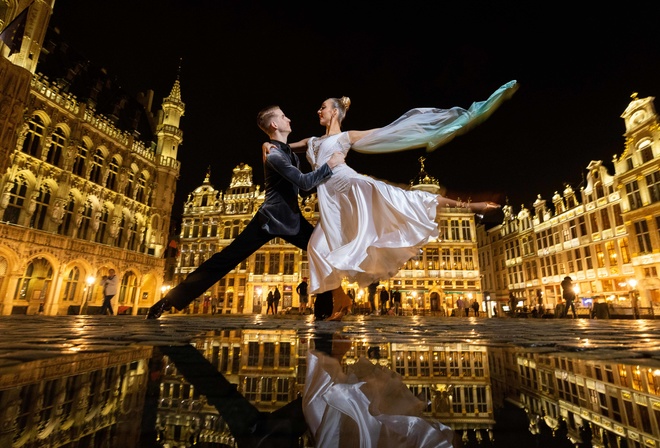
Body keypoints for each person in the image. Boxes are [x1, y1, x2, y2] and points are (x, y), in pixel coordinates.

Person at [263, 81, 516, 318]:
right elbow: (281, 146)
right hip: (330, 200)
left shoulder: (347, 137)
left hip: (352, 187)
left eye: (323, 107)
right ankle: (341, 298)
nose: (318, 110)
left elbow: (391, 131)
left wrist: (436, 127)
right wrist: (267, 144)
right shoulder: (312, 141)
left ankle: (473, 205)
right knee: (315, 248)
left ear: (336, 113)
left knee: (408, 200)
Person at [145, 105, 346, 319]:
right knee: (226, 259)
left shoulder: (279, 149)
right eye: (283, 116)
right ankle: (169, 300)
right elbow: (305, 183)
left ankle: (323, 312)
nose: (289, 118)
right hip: (269, 219)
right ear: (274, 124)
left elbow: (306, 144)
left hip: (291, 219)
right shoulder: (275, 156)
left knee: (322, 252)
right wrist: (330, 165)